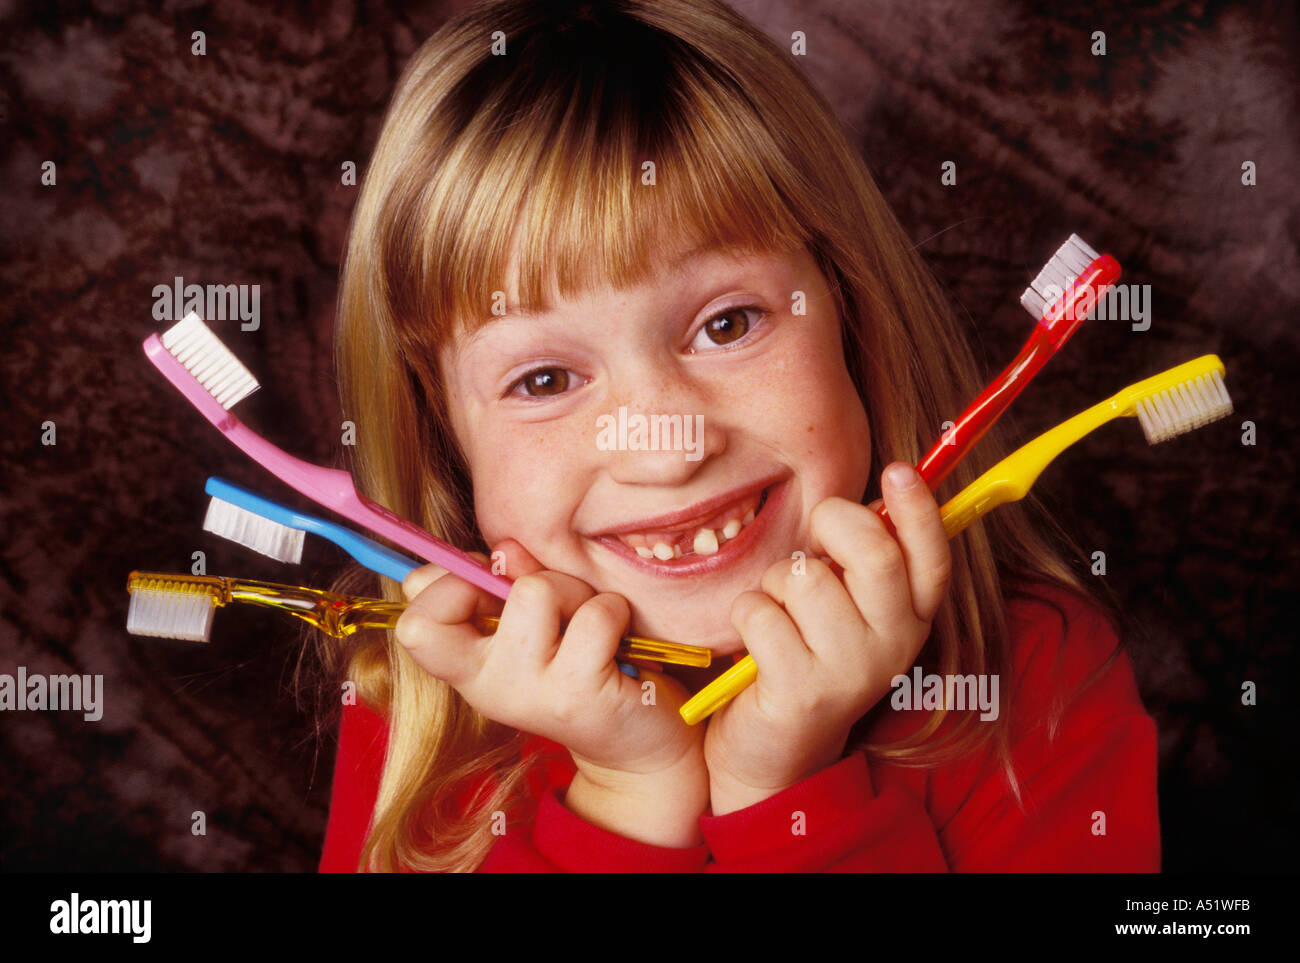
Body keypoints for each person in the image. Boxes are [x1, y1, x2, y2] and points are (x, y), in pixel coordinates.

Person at [315, 0, 1159, 872]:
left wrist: (786, 797)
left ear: (852, 315)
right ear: (446, 440)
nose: (668, 446)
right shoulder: (420, 704)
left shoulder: (1040, 680)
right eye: (544, 379)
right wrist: (630, 797)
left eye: (728, 325)